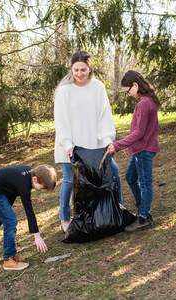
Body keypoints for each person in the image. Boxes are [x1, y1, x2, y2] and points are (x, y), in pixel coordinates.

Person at [54, 50, 123, 233]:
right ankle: (64, 218)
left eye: (83, 70)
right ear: (71, 69)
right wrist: (68, 144)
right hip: (71, 146)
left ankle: (118, 210)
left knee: (113, 171)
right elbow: (60, 122)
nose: (79, 74)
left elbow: (104, 115)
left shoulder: (98, 87)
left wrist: (107, 139)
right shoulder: (64, 91)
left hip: (94, 144)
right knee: (69, 179)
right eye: (76, 70)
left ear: (90, 68)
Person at [0, 164, 57, 270]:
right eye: (42, 188)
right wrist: (37, 236)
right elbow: (29, 211)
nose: (43, 191)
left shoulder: (29, 174)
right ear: (35, 179)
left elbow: (12, 185)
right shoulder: (24, 183)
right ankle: (9, 259)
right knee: (11, 222)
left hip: (0, 188)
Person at [107, 70, 161, 233]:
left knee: (145, 182)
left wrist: (117, 145)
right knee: (131, 177)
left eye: (128, 91)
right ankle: (143, 210)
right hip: (140, 149)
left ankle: (144, 217)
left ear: (135, 85)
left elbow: (139, 133)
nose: (129, 94)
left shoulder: (145, 103)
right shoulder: (146, 101)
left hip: (144, 149)